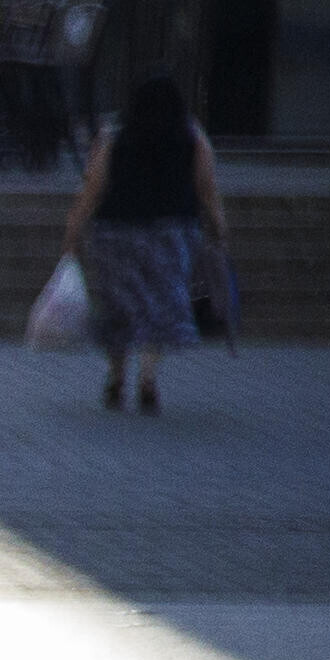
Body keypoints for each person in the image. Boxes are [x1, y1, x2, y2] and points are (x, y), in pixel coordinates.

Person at [69, 71, 229, 412]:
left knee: (117, 308)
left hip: (115, 233)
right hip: (171, 234)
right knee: (160, 305)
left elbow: (92, 189)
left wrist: (72, 232)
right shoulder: (191, 136)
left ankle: (115, 377)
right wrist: (219, 229)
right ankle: (148, 377)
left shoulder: (114, 136)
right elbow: (207, 188)